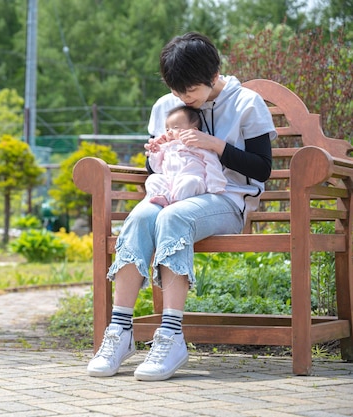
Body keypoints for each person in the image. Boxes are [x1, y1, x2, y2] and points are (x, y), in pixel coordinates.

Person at [86, 32, 276, 381]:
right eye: (176, 90)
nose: (181, 97)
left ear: (214, 73)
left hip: (228, 200)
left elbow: (262, 169)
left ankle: (171, 336)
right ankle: (120, 331)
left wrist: (214, 144)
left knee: (173, 217)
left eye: (188, 91)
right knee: (141, 215)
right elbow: (155, 169)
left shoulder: (247, 103)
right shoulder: (165, 106)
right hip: (174, 193)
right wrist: (157, 150)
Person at [145, 105, 227, 207]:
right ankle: (164, 198)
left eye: (175, 128)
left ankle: (176, 202)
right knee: (153, 179)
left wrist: (214, 185)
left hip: (191, 179)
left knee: (191, 182)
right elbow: (157, 168)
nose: (169, 132)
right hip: (170, 183)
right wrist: (155, 153)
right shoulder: (166, 147)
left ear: (193, 131)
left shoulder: (199, 147)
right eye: (167, 129)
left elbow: (212, 163)